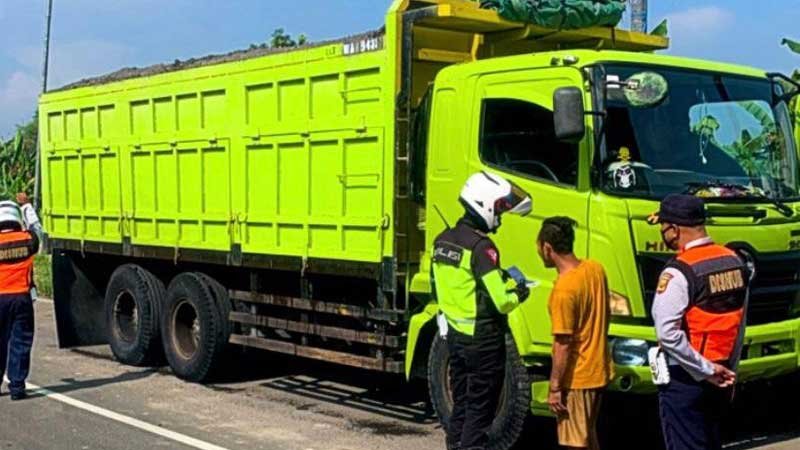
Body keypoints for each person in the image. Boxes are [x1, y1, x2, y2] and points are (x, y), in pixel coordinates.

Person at [432, 171, 532, 450]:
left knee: (461, 403)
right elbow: (502, 301)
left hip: (454, 336)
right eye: (498, 209)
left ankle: (455, 446)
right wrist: (520, 293)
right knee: (480, 408)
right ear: (483, 203)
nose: (499, 217)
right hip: (483, 340)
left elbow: (439, 287)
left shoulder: (442, 240)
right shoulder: (481, 247)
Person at [649, 194, 747, 450]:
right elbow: (739, 323)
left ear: (674, 229)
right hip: (723, 371)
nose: (662, 232)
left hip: (686, 377)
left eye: (663, 226)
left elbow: (667, 334)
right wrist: (729, 370)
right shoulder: (734, 261)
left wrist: (706, 370)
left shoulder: (678, 271)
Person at [537, 217, 614, 450]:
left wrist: (555, 387)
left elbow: (563, 343)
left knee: (574, 443)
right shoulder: (595, 269)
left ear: (547, 248)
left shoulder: (564, 290)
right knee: (588, 437)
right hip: (599, 369)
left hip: (577, 377)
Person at [0, 192, 42, 400]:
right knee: (20, 343)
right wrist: (27, 207)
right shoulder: (28, 240)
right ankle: (17, 388)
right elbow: (37, 229)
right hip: (22, 299)